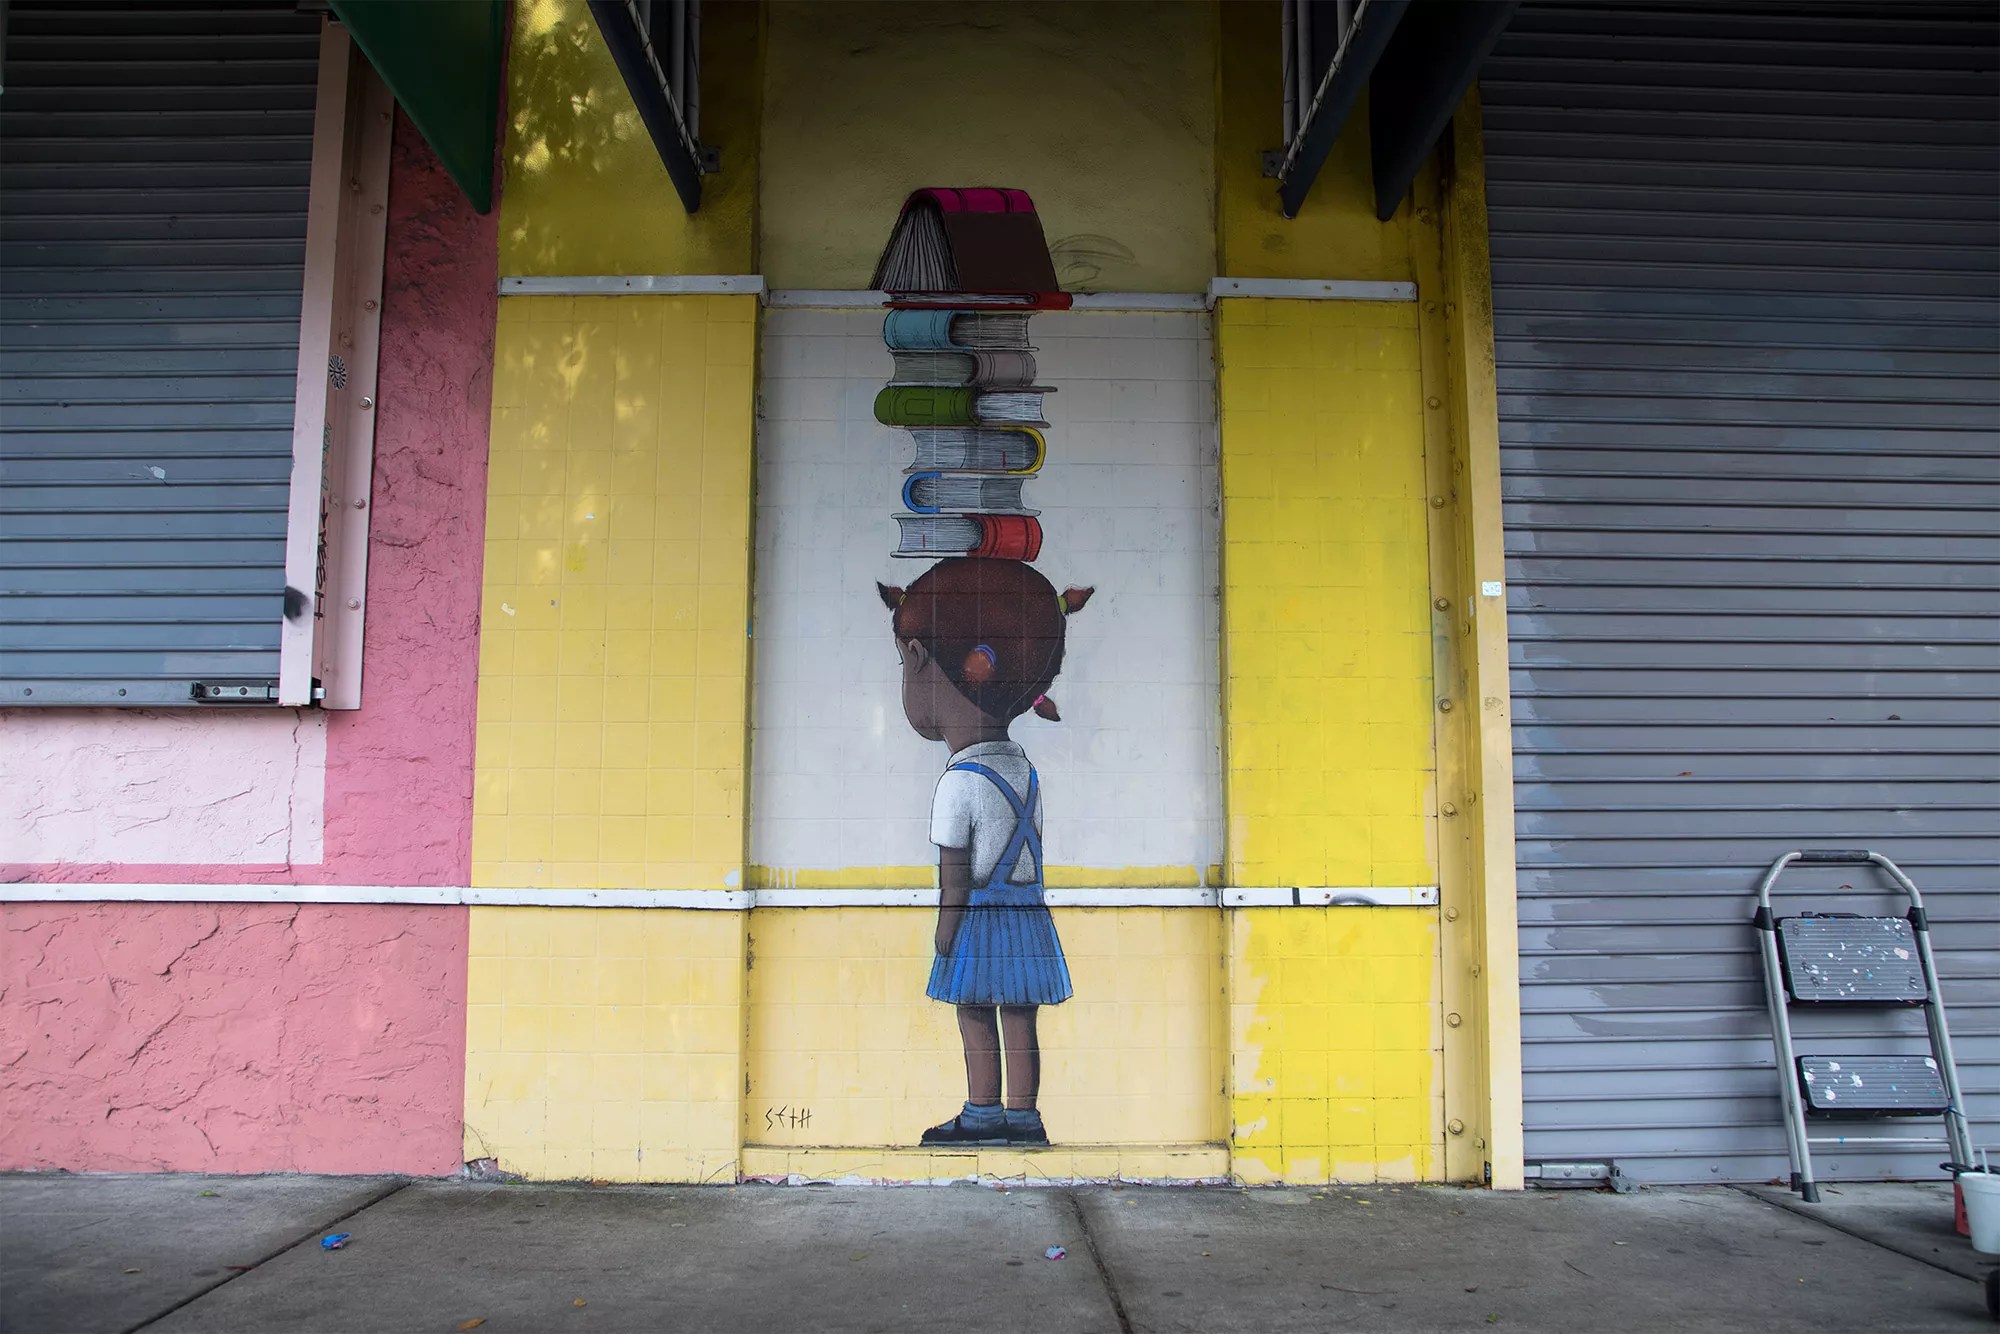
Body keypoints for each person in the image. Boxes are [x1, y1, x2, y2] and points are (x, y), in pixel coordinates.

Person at [877, 559, 1092, 1147]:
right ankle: (1024, 1117)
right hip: (1028, 916)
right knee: (1021, 1012)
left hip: (978, 919)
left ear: (919, 657)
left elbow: (954, 875)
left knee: (974, 1011)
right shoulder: (1025, 770)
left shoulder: (958, 781)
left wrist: (946, 930)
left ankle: (981, 1113)